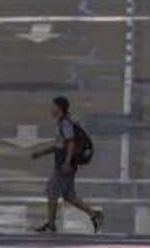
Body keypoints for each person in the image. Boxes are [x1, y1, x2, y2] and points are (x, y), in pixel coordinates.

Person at [30, 96, 103, 233]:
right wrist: (41, 153)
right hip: (65, 163)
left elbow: (70, 143)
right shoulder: (62, 123)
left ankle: (51, 225)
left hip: (63, 165)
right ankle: (95, 214)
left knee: (52, 192)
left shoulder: (65, 123)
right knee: (69, 195)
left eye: (53, 106)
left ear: (59, 107)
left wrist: (67, 163)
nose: (51, 109)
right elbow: (59, 145)